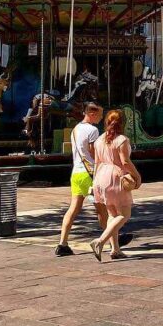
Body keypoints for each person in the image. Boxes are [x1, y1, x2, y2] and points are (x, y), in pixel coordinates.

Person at [90, 109, 141, 261]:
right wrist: (137, 176)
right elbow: (125, 161)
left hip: (100, 177)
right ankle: (100, 241)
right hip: (115, 176)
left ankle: (115, 249)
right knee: (124, 214)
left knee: (112, 214)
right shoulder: (122, 140)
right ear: (122, 123)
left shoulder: (99, 140)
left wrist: (94, 182)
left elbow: (97, 162)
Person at [56, 102, 107, 256]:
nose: (101, 117)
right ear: (91, 113)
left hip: (76, 173)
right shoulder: (92, 130)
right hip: (89, 173)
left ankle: (62, 243)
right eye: (99, 114)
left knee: (73, 208)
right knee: (101, 208)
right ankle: (112, 239)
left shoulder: (76, 129)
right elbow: (93, 152)